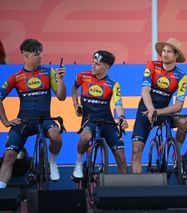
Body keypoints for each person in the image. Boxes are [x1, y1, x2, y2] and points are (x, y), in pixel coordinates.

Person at [0, 38, 66, 188]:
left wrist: (61, 80)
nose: (40, 56)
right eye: (36, 54)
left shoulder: (49, 72)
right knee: (9, 156)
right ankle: (1, 193)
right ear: (25, 54)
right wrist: (5, 121)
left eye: (40, 53)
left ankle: (53, 163)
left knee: (56, 136)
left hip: (45, 119)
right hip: (24, 121)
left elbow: (61, 97)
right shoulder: (16, 77)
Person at [131, 38, 187, 173]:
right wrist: (151, 110)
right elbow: (145, 90)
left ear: (176, 56)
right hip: (145, 112)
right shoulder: (152, 65)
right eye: (163, 51)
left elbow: (178, 106)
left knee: (184, 122)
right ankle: (136, 188)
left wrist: (157, 112)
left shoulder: (181, 76)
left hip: (163, 113)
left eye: (169, 51)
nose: (165, 54)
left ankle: (177, 156)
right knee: (136, 151)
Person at [72, 50, 128, 177]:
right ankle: (78, 163)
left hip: (107, 123)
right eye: (92, 62)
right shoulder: (82, 76)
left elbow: (118, 104)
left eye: (97, 64)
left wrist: (122, 117)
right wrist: (76, 104)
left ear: (106, 67)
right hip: (89, 120)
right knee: (84, 137)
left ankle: (125, 191)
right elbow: (74, 88)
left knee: (121, 158)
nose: (93, 66)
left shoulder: (113, 84)